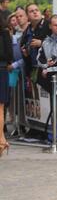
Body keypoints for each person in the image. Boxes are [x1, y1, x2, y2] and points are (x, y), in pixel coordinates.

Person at [0, 14, 13, 155]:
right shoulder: (4, 33)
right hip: (1, 70)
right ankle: (1, 142)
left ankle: (2, 141)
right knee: (0, 108)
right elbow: (10, 55)